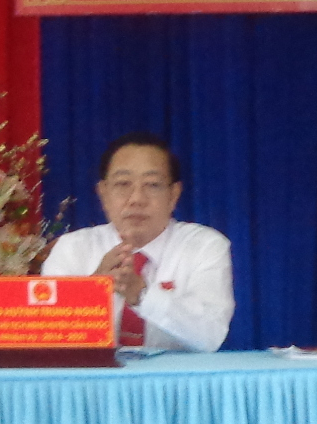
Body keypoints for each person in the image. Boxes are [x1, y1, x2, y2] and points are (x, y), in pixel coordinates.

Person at [41, 134, 233, 352]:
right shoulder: (72, 249)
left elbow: (210, 336)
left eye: (152, 185)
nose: (137, 199)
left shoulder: (204, 246)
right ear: (103, 194)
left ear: (174, 195)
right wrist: (94, 291)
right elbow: (49, 338)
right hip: (93, 374)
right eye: (123, 184)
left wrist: (141, 294)